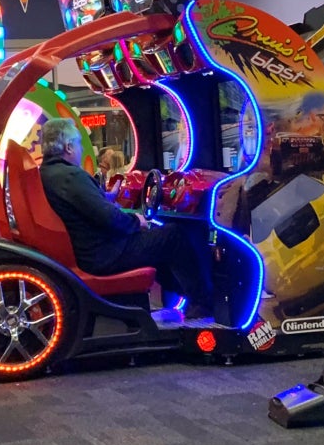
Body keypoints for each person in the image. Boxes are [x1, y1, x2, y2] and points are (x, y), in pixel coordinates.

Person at [39, 119, 213, 317]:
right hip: (103, 255)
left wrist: (105, 198)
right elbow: (108, 217)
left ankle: (186, 297)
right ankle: (203, 303)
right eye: (78, 143)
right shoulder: (70, 176)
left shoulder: (49, 173)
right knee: (173, 235)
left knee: (157, 240)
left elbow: (87, 206)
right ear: (69, 147)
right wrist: (137, 222)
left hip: (90, 251)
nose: (81, 149)